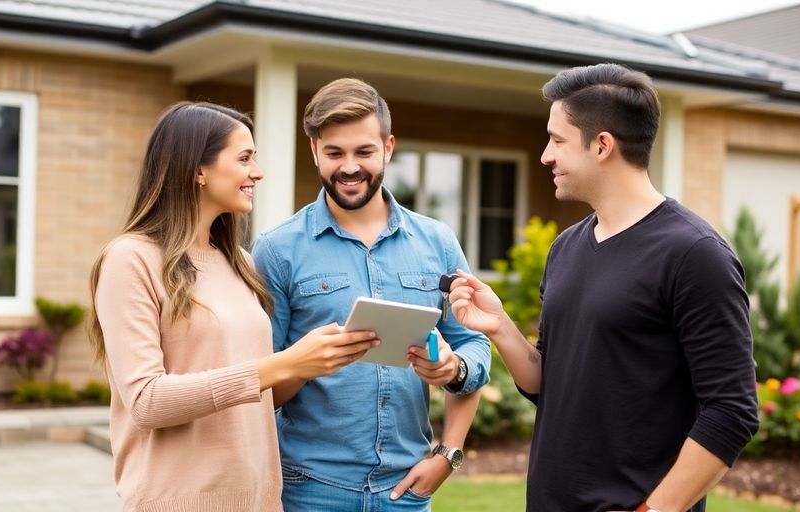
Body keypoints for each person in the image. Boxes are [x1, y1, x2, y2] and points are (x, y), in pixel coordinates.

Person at [446, 64, 759, 512]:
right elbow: (546, 384)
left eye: (556, 140)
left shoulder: (695, 255)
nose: (545, 156)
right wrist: (499, 326)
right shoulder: (566, 248)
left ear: (602, 145)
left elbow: (732, 411)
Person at [87, 102, 379, 512]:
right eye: (244, 158)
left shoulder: (238, 260)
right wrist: (283, 364)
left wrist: (313, 361)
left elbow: (256, 391)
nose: (257, 172)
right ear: (198, 170)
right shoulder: (130, 259)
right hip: (179, 502)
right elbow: (146, 401)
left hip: (259, 500)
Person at [251, 78, 492, 511]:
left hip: (407, 491)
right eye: (334, 153)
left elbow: (474, 340)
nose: (349, 167)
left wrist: (449, 445)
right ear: (314, 151)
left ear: (388, 147)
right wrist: (305, 363)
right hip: (309, 489)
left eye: (363, 151)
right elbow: (258, 383)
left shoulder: (437, 241)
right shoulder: (276, 250)